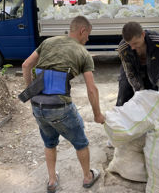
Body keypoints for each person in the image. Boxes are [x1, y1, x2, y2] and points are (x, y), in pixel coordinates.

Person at [22, 16, 105, 193]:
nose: (88, 39)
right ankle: (87, 177)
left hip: (38, 105)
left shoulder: (48, 42)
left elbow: (26, 65)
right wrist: (97, 114)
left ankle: (52, 181)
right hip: (60, 107)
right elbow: (92, 90)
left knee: (49, 142)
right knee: (81, 142)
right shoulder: (83, 53)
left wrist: (30, 93)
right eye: (88, 35)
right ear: (82, 31)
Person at [116, 21, 159, 107]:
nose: (132, 47)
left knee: (150, 104)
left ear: (143, 34)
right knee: (123, 99)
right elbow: (130, 73)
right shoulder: (123, 48)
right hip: (130, 74)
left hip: (152, 73)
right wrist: (139, 92)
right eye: (129, 44)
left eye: (135, 43)